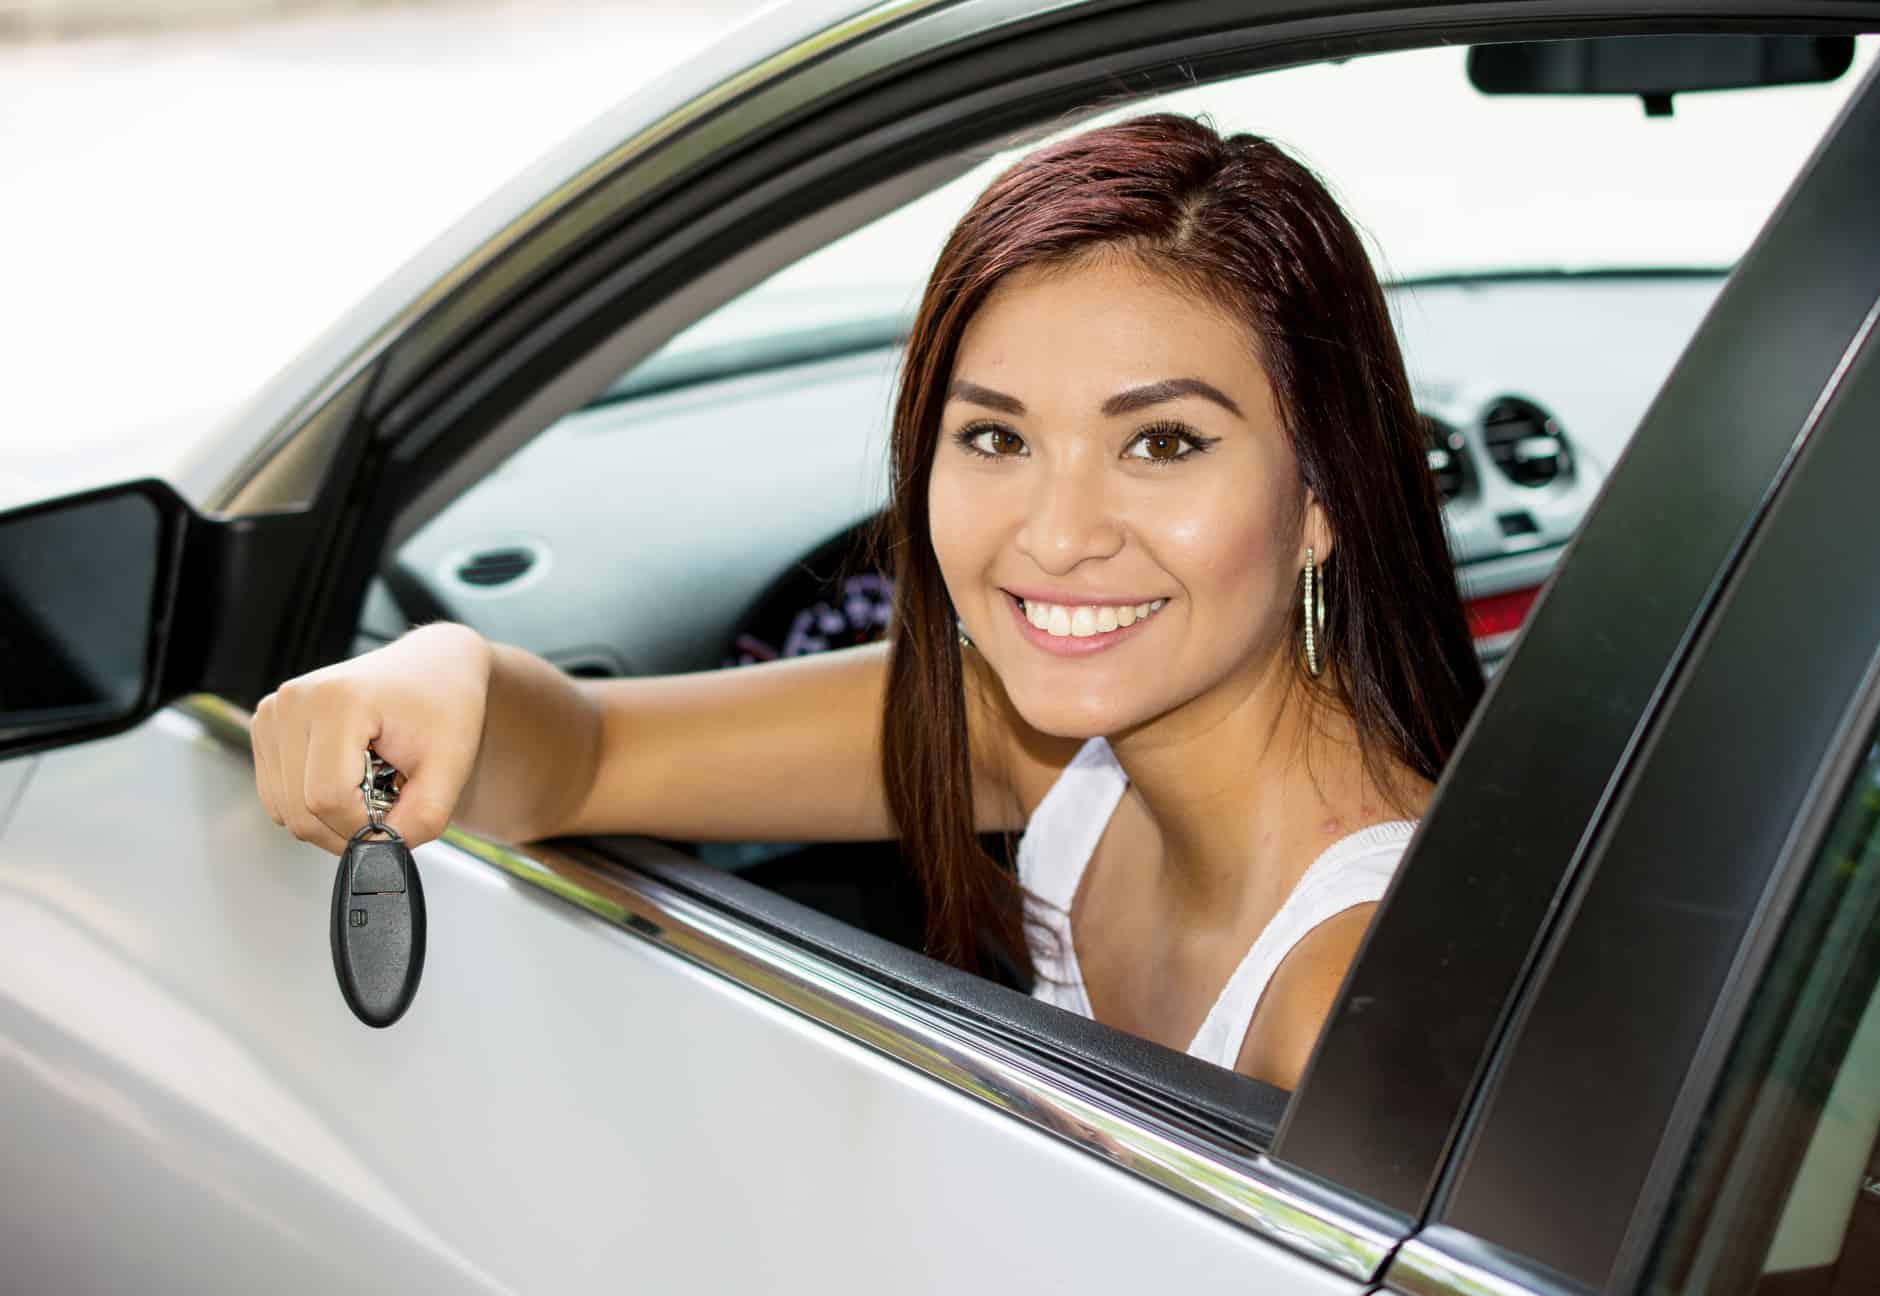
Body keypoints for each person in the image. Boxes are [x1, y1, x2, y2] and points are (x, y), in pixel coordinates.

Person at [252, 112, 1485, 1090]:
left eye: (1160, 444)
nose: (1054, 535)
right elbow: (583, 757)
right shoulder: (1044, 751)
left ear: (1324, 492)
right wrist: (440, 671)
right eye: (995, 439)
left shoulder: (1353, 997)